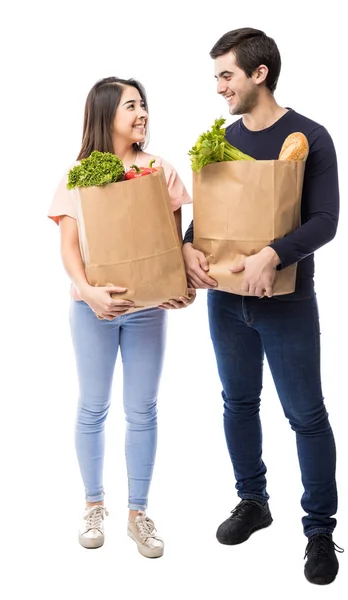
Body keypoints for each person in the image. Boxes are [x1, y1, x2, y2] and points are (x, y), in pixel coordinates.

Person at [182, 29, 343, 585]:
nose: (219, 87)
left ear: (259, 74)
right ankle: (254, 502)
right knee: (237, 403)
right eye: (217, 77)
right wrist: (187, 244)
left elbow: (326, 220)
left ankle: (320, 532)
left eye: (227, 75)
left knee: (306, 416)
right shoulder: (222, 140)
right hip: (226, 303)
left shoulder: (310, 137)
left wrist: (274, 253)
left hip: (288, 303)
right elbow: (208, 217)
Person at [48, 76, 195, 558]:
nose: (142, 113)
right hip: (92, 309)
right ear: (105, 114)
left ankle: (138, 513)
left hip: (147, 311)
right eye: (131, 106)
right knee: (93, 406)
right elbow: (69, 249)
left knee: (143, 409)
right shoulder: (80, 174)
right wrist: (89, 292)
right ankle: (93, 504)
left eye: (144, 105)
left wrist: (180, 288)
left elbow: (173, 245)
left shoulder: (160, 170)